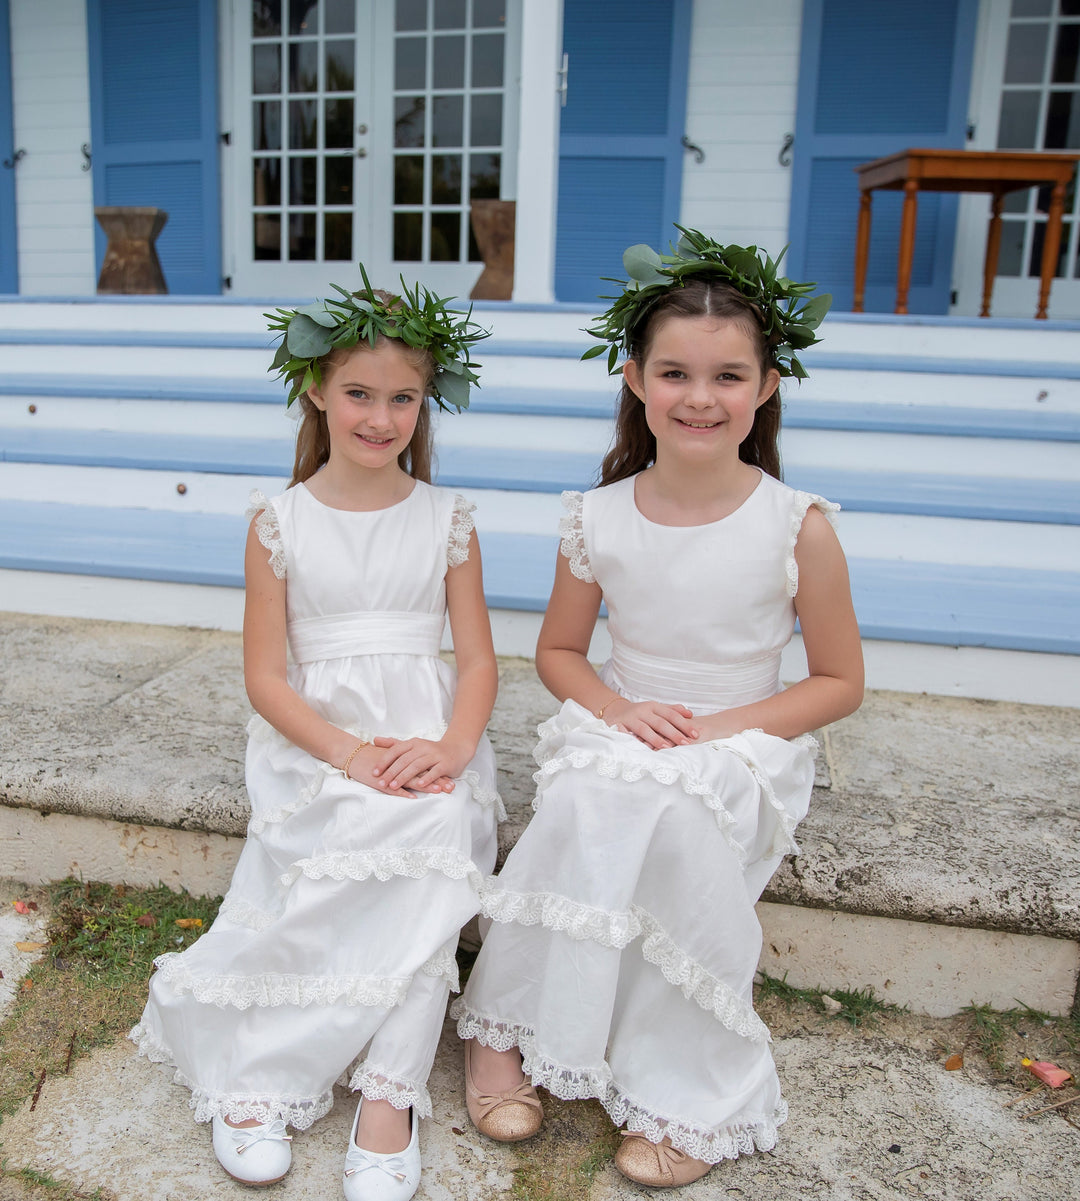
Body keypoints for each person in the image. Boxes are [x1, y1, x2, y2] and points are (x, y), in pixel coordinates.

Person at [452, 228, 864, 1187]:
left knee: (675, 811)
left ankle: (683, 1081)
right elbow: (559, 652)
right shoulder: (597, 516)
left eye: (728, 376)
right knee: (592, 798)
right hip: (621, 714)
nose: (699, 397)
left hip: (746, 734)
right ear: (635, 379)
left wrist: (717, 729)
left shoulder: (795, 525)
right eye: (675, 372)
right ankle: (501, 1030)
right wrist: (619, 707)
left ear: (765, 388)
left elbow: (838, 681)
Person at [131, 269, 502, 1200]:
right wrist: (348, 753)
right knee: (336, 844)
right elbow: (266, 677)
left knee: (433, 834)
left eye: (403, 397)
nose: (381, 417)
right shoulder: (278, 522)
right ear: (316, 391)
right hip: (321, 740)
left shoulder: (447, 519)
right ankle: (253, 1072)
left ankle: (390, 1093)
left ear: (427, 402)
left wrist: (452, 748)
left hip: (426, 731)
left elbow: (483, 662)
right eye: (359, 394)